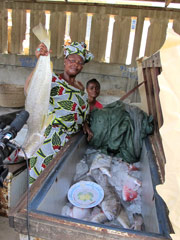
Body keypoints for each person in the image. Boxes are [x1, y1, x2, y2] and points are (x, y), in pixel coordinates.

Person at [25, 41, 94, 185]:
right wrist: (40, 63)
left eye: (80, 62)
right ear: (65, 61)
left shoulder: (80, 86)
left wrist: (85, 124)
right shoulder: (53, 79)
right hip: (50, 141)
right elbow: (29, 90)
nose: (75, 64)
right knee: (41, 183)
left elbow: (80, 110)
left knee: (58, 183)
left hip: (69, 142)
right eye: (72, 60)